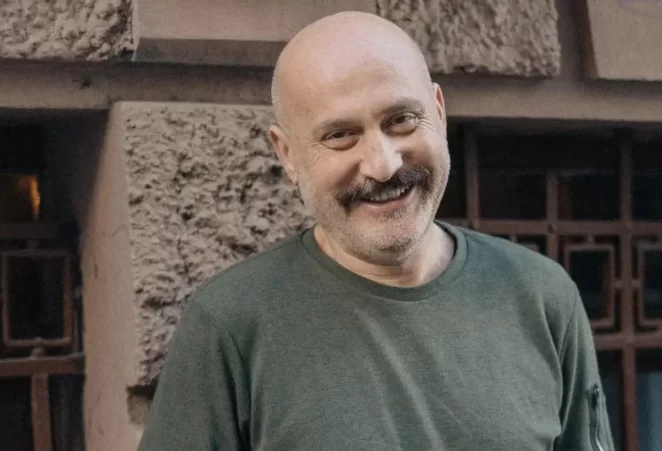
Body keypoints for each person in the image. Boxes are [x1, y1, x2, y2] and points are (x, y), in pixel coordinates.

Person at [138, 11, 615, 451]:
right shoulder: (230, 326)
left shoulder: (540, 296)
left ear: (438, 111)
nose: (383, 165)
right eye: (340, 135)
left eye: (401, 120)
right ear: (287, 154)